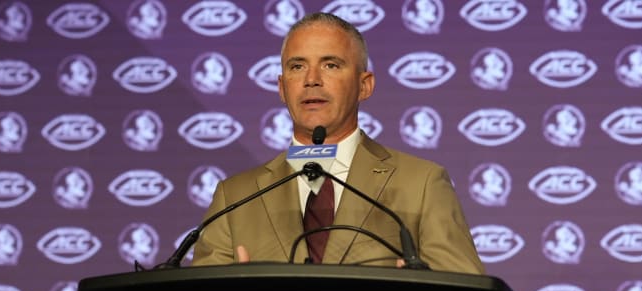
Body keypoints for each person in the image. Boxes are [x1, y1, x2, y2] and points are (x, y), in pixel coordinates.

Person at [191, 12, 484, 274]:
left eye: (331, 65)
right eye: (297, 67)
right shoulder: (235, 198)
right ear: (282, 88)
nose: (312, 80)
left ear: (364, 85)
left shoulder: (421, 184)